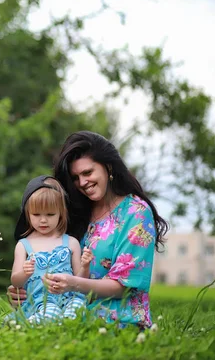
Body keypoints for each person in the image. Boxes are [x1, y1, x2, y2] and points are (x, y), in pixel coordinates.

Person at [44, 131, 169, 329]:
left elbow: (123, 286)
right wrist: (24, 288)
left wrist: (72, 283)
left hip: (120, 319)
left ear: (108, 167)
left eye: (88, 173)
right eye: (76, 177)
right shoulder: (76, 211)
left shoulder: (136, 213)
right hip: (71, 311)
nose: (82, 183)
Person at [9, 175, 90, 323]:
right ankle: (33, 323)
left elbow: (80, 280)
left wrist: (85, 266)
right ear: (28, 213)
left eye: (50, 214)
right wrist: (25, 273)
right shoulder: (24, 245)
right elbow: (15, 281)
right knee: (50, 312)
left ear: (61, 213)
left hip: (69, 297)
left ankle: (66, 329)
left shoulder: (71, 243)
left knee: (78, 309)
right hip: (41, 301)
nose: (43, 220)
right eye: (36, 214)